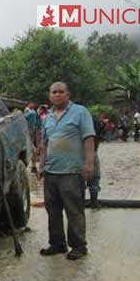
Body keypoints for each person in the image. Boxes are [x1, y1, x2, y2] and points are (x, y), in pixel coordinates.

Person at [37, 82, 95, 260]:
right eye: (54, 92)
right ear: (49, 96)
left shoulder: (80, 112)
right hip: (51, 171)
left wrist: (89, 164)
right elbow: (45, 143)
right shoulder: (48, 118)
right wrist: (41, 164)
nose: (57, 95)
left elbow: (88, 138)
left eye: (61, 92)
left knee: (74, 209)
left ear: (68, 94)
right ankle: (57, 244)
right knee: (52, 210)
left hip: (72, 171)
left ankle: (78, 246)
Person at [24, 102, 41, 172]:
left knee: (33, 149)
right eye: (32, 104)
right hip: (27, 131)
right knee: (32, 149)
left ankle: (33, 166)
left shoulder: (33, 111)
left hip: (32, 131)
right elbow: (24, 117)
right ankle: (32, 166)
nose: (33, 105)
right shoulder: (27, 110)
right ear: (29, 104)